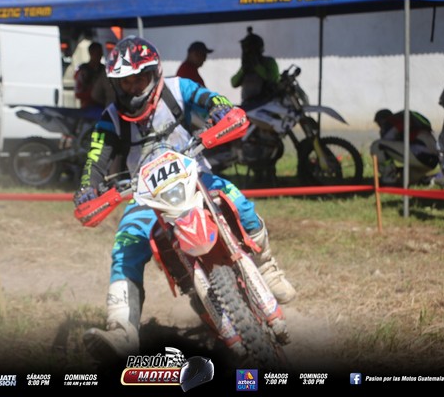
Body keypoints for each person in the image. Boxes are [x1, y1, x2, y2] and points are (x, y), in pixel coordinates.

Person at [73, 36, 296, 361]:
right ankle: (122, 331)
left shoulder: (179, 89)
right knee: (125, 246)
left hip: (195, 176)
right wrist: (87, 189)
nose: (133, 88)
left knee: (238, 201)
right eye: (125, 82)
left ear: (154, 73)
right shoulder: (110, 119)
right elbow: (95, 160)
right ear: (115, 84)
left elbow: (210, 98)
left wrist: (221, 109)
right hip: (145, 197)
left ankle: (267, 268)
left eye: (139, 79)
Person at [370, 109, 439, 185]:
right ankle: (429, 179)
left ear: (381, 120)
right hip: (432, 161)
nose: (380, 127)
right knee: (402, 181)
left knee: (377, 145)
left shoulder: (391, 121)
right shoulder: (405, 119)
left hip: (420, 153)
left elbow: (387, 139)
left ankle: (388, 178)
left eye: (378, 123)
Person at [230, 27, 279, 109]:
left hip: (266, 106)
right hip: (248, 106)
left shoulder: (269, 62)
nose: (248, 52)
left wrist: (257, 66)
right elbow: (234, 83)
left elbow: (273, 79)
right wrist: (243, 70)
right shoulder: (246, 65)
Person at [74, 41, 106, 109]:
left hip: (102, 106)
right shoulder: (83, 70)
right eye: (98, 53)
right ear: (91, 53)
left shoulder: (104, 70)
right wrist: (92, 94)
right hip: (87, 106)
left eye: (101, 53)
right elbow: (78, 93)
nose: (100, 56)